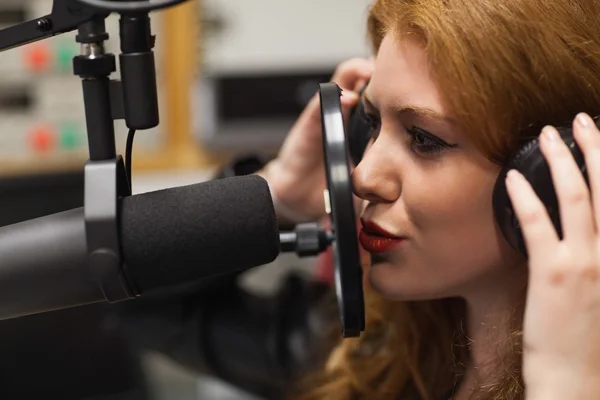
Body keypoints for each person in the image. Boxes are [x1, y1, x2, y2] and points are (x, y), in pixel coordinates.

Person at [115, 1, 600, 399]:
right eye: (370, 123)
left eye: (424, 139)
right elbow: (141, 305)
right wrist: (275, 194)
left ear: (555, 175)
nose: (364, 173)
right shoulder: (368, 350)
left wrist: (566, 386)